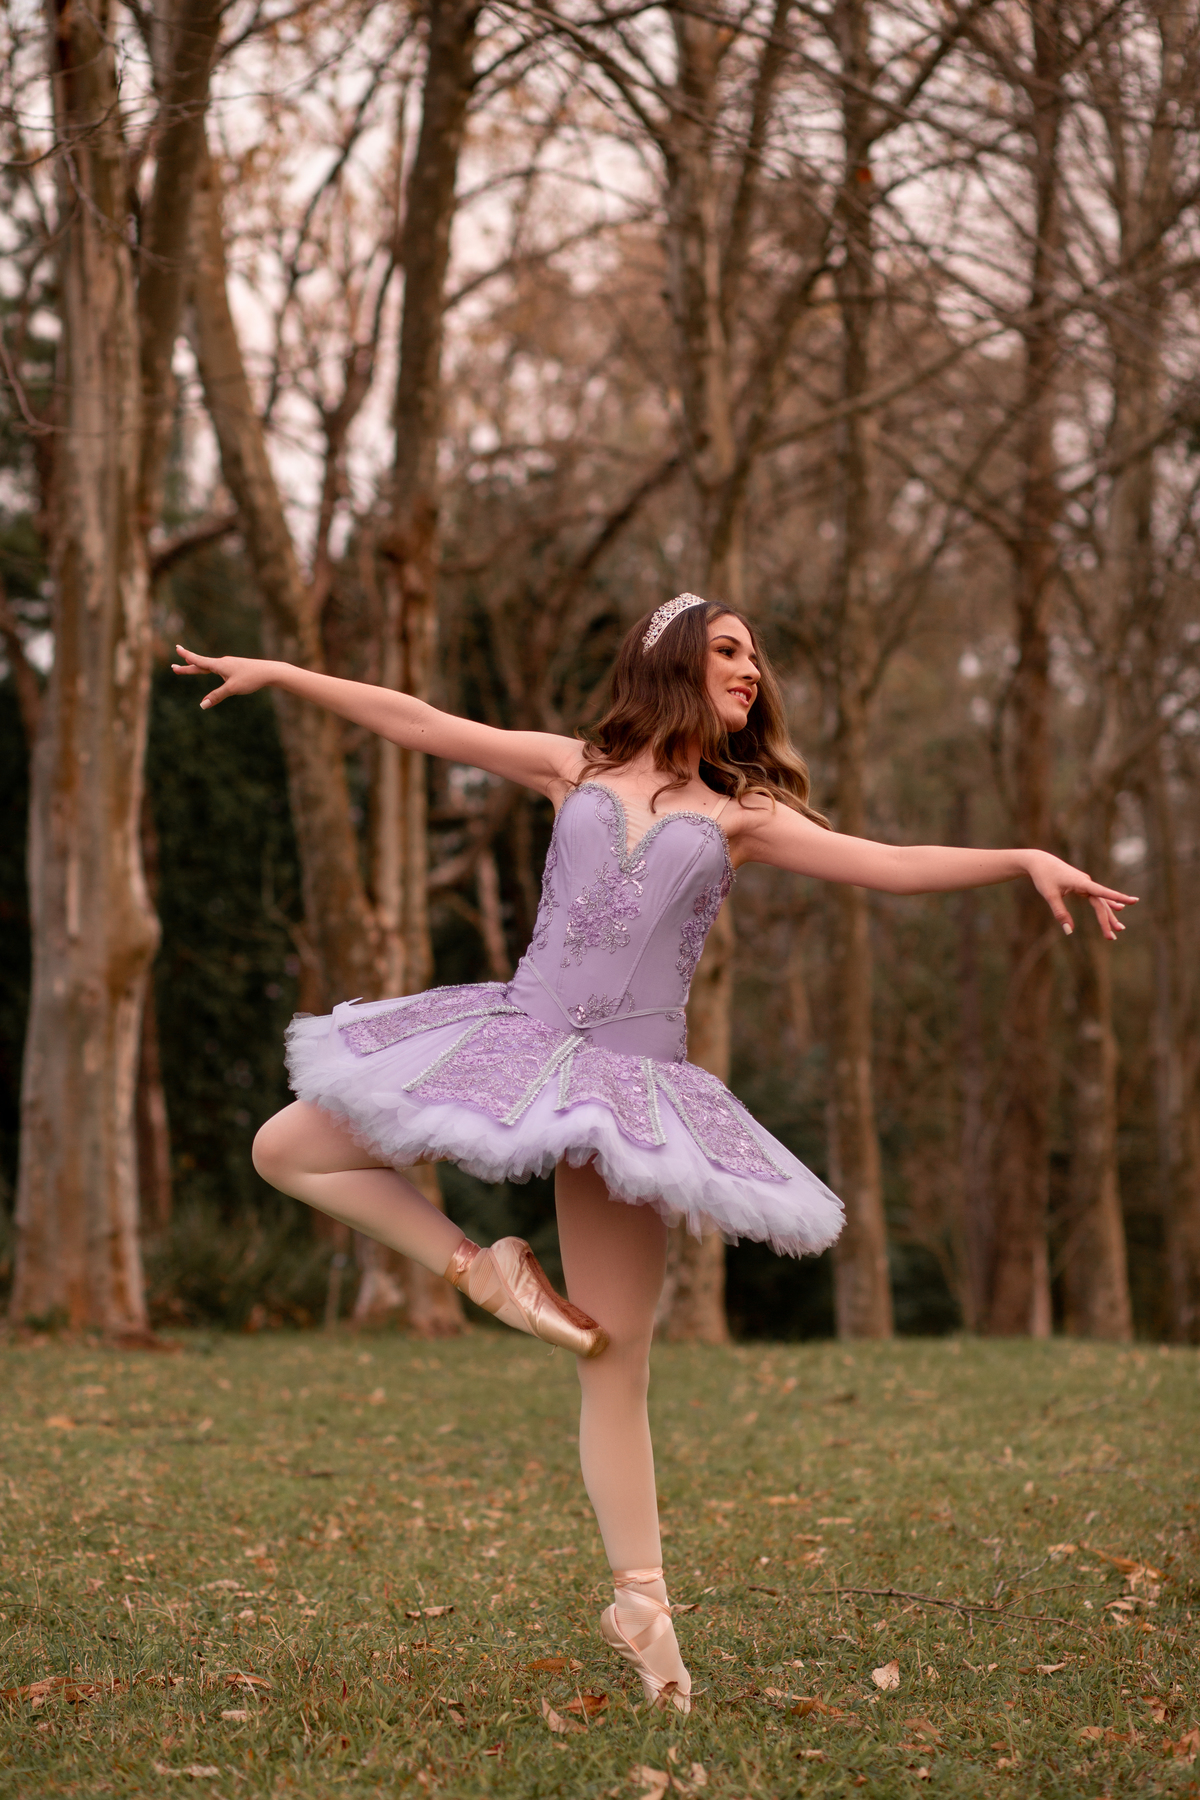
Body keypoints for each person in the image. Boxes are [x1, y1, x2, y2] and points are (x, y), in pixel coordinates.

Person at [172, 593, 1134, 1713]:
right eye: (730, 651)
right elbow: (421, 720)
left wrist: (1023, 857)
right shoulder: (571, 768)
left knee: (613, 1362)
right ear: (671, 661)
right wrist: (284, 672)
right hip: (515, 1038)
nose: (751, 674)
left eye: (757, 661)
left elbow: (889, 862)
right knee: (285, 1145)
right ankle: (481, 1269)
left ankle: (643, 1611)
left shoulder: (743, 816)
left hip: (631, 1089)